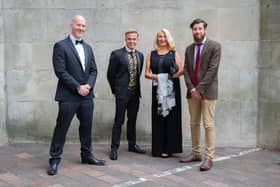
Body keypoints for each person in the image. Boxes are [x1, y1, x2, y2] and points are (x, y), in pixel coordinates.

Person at [47, 15, 105, 176]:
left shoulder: (88, 48)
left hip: (87, 95)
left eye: (84, 26)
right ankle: (54, 159)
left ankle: (87, 155)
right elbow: (60, 71)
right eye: (78, 25)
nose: (81, 28)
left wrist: (89, 86)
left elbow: (93, 70)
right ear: (71, 25)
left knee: (86, 127)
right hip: (68, 96)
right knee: (62, 127)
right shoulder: (60, 46)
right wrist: (77, 87)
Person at [180, 18, 221, 171]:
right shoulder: (189, 49)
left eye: (199, 29)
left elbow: (212, 70)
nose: (197, 31)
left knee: (208, 124)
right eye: (195, 29)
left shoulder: (215, 46)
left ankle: (209, 157)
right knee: (193, 123)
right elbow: (186, 70)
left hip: (208, 92)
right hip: (192, 93)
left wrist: (199, 90)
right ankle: (196, 153)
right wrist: (192, 89)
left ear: (205, 29)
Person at [107, 29, 145, 160]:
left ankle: (132, 144)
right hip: (122, 93)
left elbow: (138, 74)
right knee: (119, 120)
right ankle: (114, 148)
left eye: (134, 39)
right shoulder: (116, 54)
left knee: (132, 120)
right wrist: (116, 91)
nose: (132, 41)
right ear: (125, 39)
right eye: (129, 39)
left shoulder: (140, 55)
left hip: (135, 93)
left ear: (137, 40)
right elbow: (110, 75)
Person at [145, 28, 183, 158]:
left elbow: (181, 70)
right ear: (157, 39)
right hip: (157, 90)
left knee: (171, 117)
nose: (162, 39)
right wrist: (159, 78)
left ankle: (170, 148)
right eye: (160, 37)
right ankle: (158, 148)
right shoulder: (151, 54)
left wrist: (168, 78)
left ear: (168, 38)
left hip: (171, 89)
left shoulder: (174, 53)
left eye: (164, 37)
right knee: (158, 117)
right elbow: (146, 74)